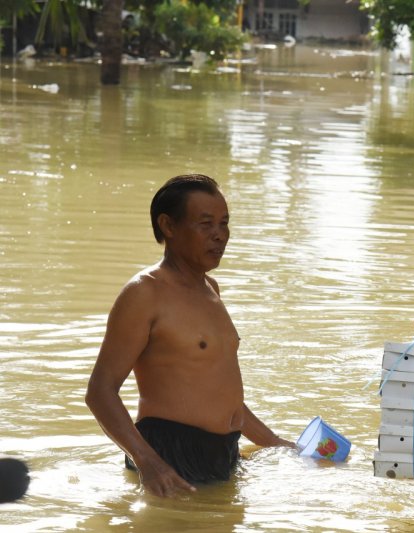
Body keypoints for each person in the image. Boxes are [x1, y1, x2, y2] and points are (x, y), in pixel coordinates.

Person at [85, 174, 293, 498]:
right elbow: (100, 391)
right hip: (168, 455)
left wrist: (276, 444)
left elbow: (220, 390)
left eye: (224, 223)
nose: (219, 235)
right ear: (168, 226)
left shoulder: (210, 288)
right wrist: (147, 462)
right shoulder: (144, 293)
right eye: (205, 223)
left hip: (224, 452)